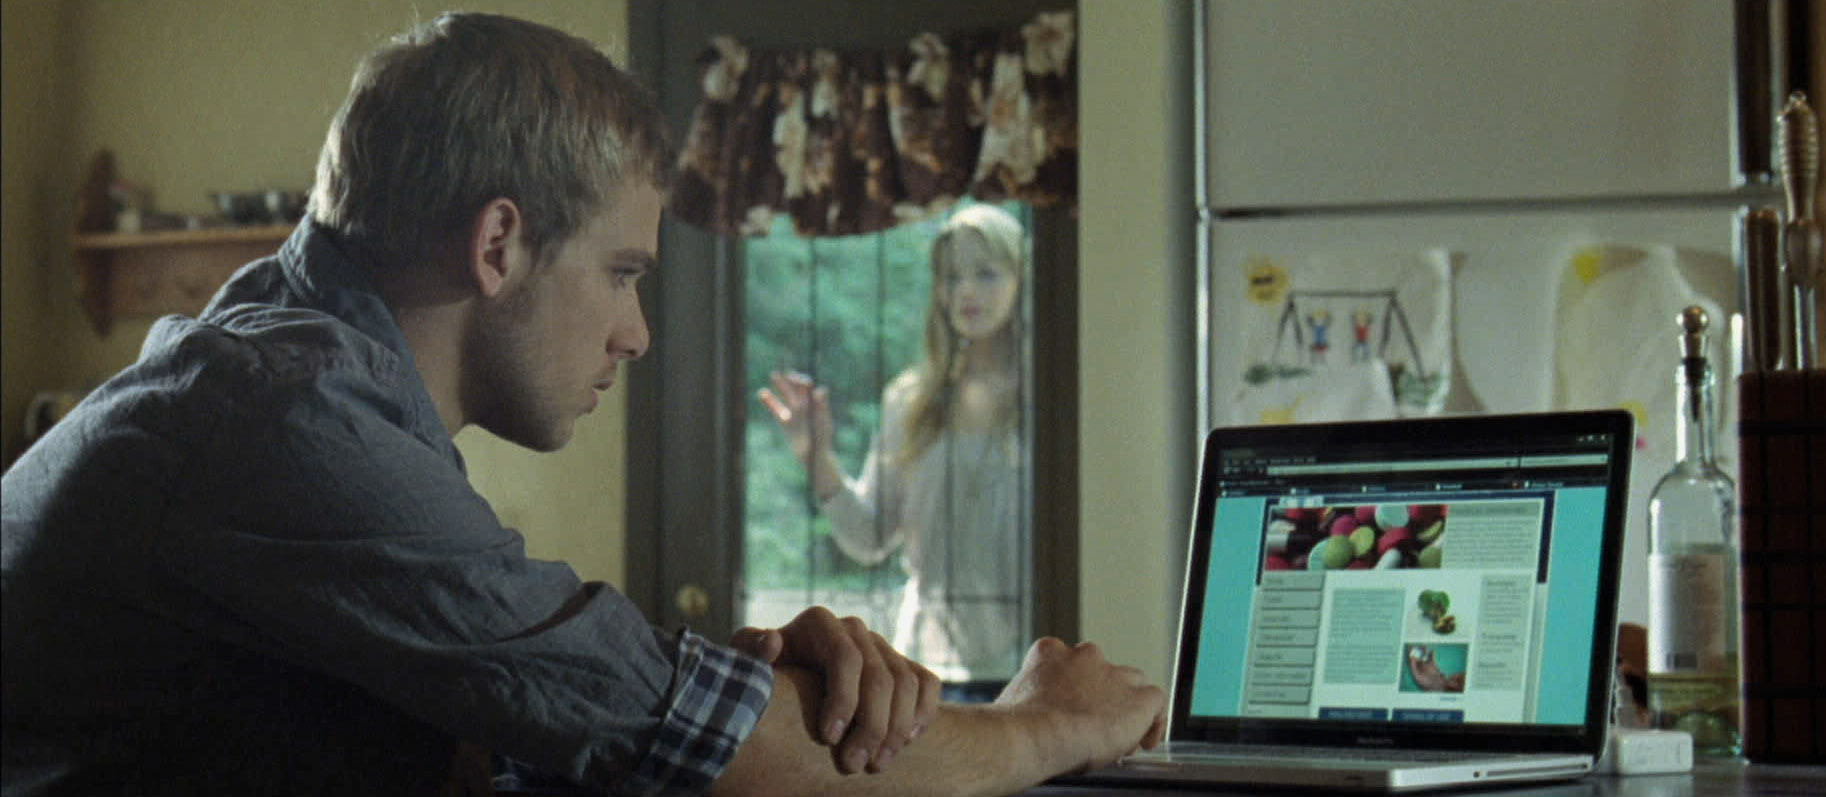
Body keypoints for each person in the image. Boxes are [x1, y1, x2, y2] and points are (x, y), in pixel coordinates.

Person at [0, 13, 1164, 797]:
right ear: (499, 243)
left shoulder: (299, 373)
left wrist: (746, 684)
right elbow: (683, 737)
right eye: (621, 272)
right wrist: (1044, 722)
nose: (637, 332)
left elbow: (530, 715)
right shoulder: (288, 421)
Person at [758, 204, 1029, 699]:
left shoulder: (1048, 404)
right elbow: (870, 535)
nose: (966, 291)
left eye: (986, 274)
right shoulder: (910, 401)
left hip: (1025, 672)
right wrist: (816, 457)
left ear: (1022, 280)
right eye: (951, 277)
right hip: (924, 674)